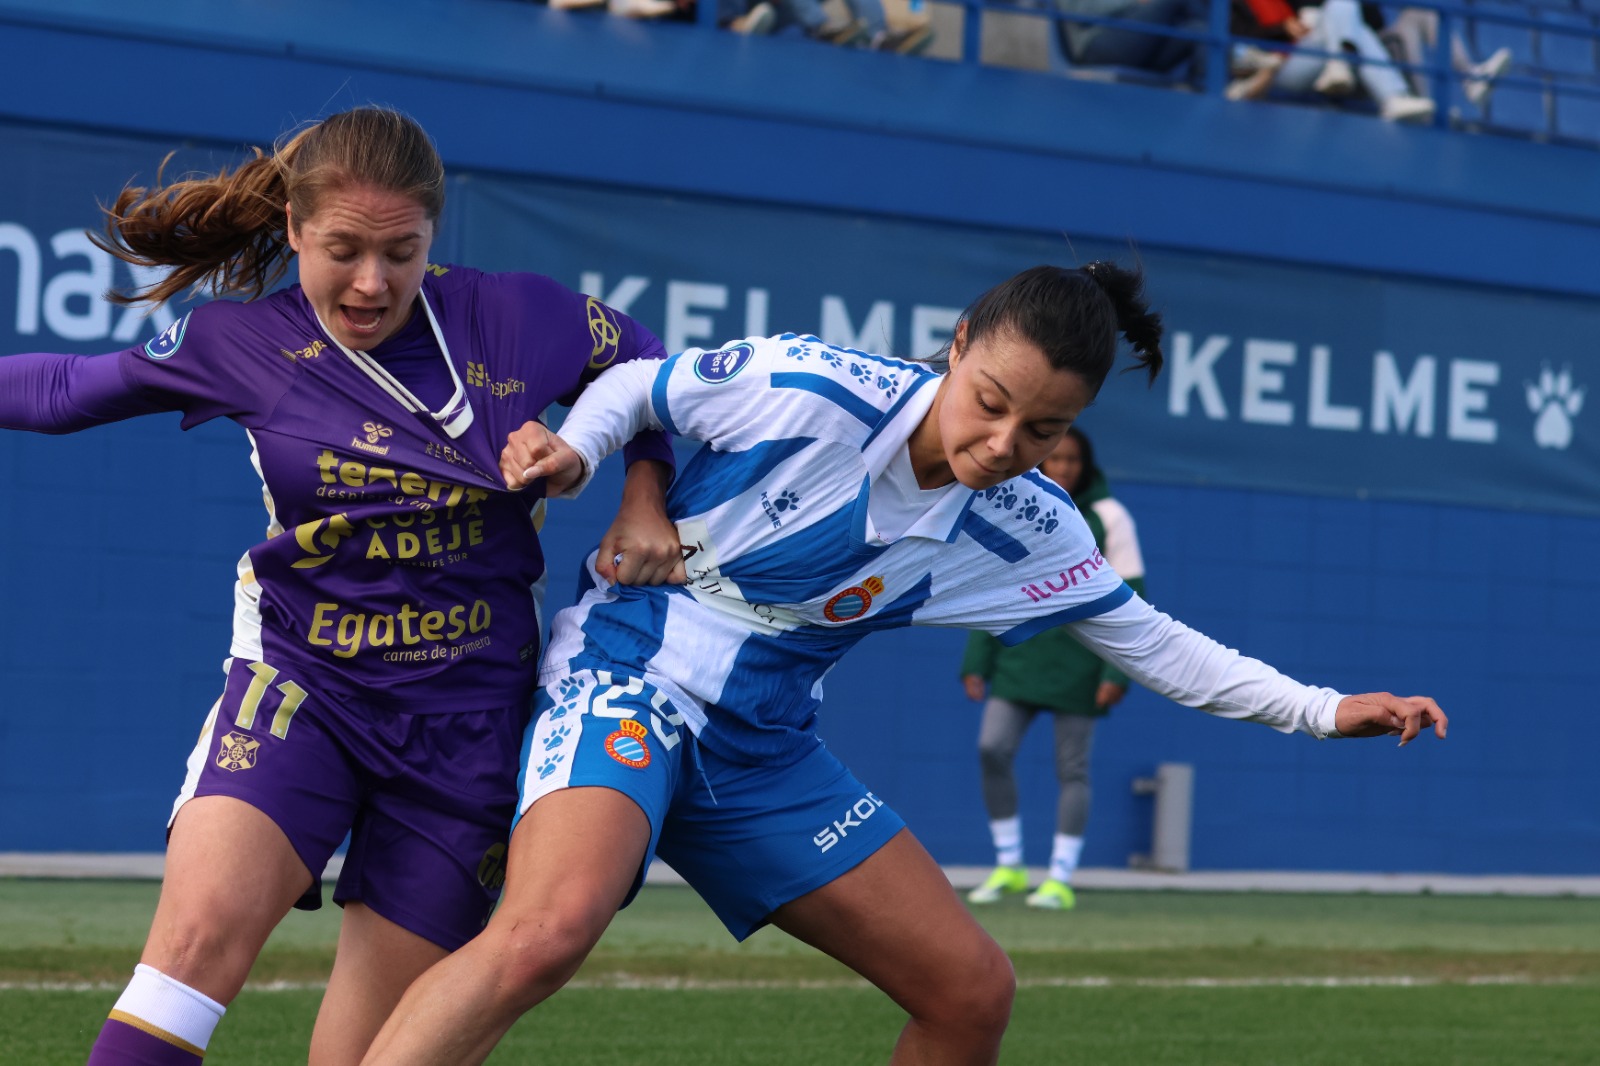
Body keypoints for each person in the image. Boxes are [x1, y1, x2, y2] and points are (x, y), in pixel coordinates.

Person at [358, 262, 1447, 1066]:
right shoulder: (813, 386)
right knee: (546, 933)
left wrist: (1323, 708)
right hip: (629, 665)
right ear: (959, 341)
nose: (1000, 444)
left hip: (763, 749)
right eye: (990, 401)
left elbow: (1152, 643)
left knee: (971, 993)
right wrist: (586, 455)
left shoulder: (1034, 524)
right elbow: (639, 385)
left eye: (1042, 428)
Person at [0, 106, 682, 1066]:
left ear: (433, 238)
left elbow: (648, 360)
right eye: (344, 249)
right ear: (293, 230)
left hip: (466, 730)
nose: (372, 281)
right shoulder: (243, 343)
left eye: (401, 252)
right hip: (303, 690)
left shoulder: (513, 317)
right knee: (189, 956)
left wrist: (636, 491)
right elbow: (69, 389)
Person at [961, 426, 1143, 910]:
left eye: (1073, 461)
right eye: (1055, 458)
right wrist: (977, 659)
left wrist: (1115, 674)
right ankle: (1009, 866)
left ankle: (1060, 878)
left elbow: (1133, 601)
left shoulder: (1110, 516)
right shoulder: (1018, 501)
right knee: (991, 749)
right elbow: (991, 587)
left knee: (1072, 769)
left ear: (1087, 467)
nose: (1062, 468)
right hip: (1020, 655)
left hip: (1081, 665)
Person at [1226, 0, 1437, 122]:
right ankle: (1391, 95)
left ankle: (1339, 65)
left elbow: (1375, 19)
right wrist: (1282, 28)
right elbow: (1236, 37)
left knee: (1342, 5)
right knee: (1353, 29)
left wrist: (1301, 25)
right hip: (1274, 69)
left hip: (1304, 56)